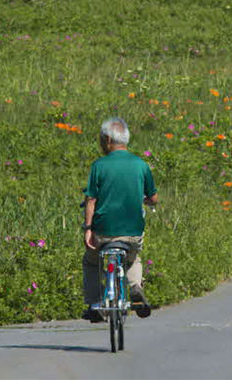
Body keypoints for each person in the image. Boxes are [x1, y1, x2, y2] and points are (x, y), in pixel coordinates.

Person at [82, 117, 158, 322]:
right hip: (131, 233)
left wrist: (88, 228)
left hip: (103, 233)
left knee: (91, 261)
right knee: (132, 257)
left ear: (107, 140)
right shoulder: (141, 165)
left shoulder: (99, 166)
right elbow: (153, 198)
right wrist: (149, 201)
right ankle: (135, 287)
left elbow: (91, 199)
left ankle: (95, 301)